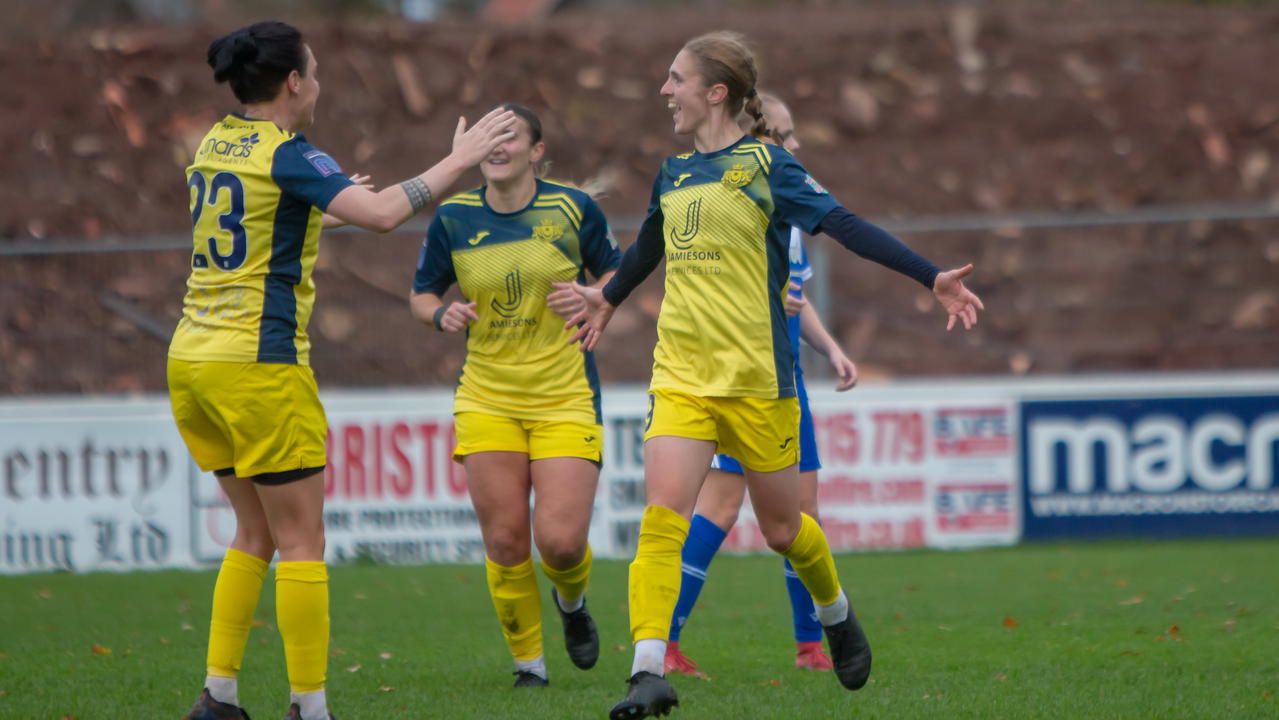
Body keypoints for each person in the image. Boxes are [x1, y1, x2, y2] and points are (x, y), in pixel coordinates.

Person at [559, 30, 984, 719]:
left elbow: (844, 225)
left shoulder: (767, 166)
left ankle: (835, 612)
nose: (664, 91)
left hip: (759, 383)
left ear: (714, 92)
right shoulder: (672, 173)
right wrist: (605, 298)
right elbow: (647, 247)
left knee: (786, 530)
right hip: (681, 375)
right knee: (662, 519)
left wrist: (930, 276)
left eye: (676, 79)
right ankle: (645, 671)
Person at [170, 21, 515, 720]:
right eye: (316, 72)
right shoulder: (288, 153)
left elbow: (254, 230)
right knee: (300, 540)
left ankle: (219, 696)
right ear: (293, 82)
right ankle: (310, 708)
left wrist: (323, 210)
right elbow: (386, 214)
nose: (319, 82)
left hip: (192, 360)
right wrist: (461, 159)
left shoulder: (215, 141)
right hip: (256, 364)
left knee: (254, 535)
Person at [409, 104, 621, 689]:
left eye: (511, 138)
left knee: (559, 542)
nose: (497, 148)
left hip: (564, 394)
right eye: (488, 139)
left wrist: (592, 294)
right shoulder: (453, 217)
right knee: (505, 540)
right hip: (486, 397)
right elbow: (422, 293)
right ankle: (530, 667)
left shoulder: (573, 209)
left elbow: (616, 274)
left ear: (537, 152)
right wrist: (440, 314)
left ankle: (572, 605)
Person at [664, 92, 857, 677]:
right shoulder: (731, 206)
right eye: (786, 134)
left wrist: (831, 348)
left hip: (785, 376)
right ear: (759, 140)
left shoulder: (788, 221)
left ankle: (808, 647)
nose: (796, 146)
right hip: (743, 380)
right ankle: (666, 644)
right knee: (721, 509)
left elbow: (794, 304)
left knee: (801, 512)